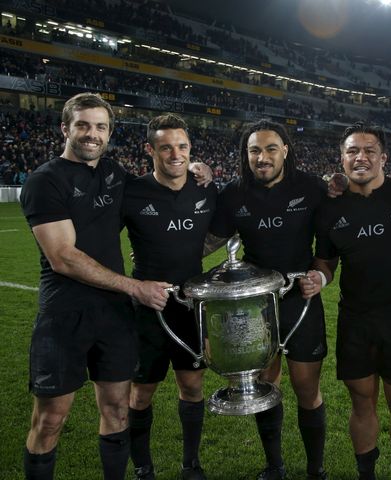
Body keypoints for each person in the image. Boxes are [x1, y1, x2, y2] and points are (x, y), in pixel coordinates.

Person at [19, 93, 171, 480]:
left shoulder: (116, 175)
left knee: (117, 410)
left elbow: (158, 189)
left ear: (109, 133)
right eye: (83, 125)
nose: (92, 134)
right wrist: (134, 287)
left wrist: (198, 168)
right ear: (65, 128)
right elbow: (63, 256)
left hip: (114, 316)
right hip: (64, 314)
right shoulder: (44, 181)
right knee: (50, 420)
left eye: (100, 127)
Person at [301, 123, 391, 480]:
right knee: (361, 404)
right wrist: (319, 277)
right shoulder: (329, 210)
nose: (360, 157)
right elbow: (326, 262)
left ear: (383, 158)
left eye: (368, 151)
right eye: (352, 151)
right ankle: (367, 475)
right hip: (356, 322)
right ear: (342, 159)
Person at [204, 119, 329, 480]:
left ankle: (316, 470)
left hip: (299, 301)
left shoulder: (311, 188)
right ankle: (274, 466)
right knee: (265, 385)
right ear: (246, 154)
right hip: (255, 305)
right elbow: (210, 240)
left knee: (307, 388)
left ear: (285, 150)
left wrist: (320, 276)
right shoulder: (233, 194)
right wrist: (158, 253)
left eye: (271, 148)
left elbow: (329, 247)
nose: (263, 157)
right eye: (255, 150)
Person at [122, 113, 217, 480]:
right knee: (141, 393)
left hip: (190, 307)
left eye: (182, 147)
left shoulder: (206, 189)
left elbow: (224, 231)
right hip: (147, 307)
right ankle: (143, 467)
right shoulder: (132, 192)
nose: (175, 154)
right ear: (150, 150)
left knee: (192, 386)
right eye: (166, 147)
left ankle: (190, 463)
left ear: (190, 148)